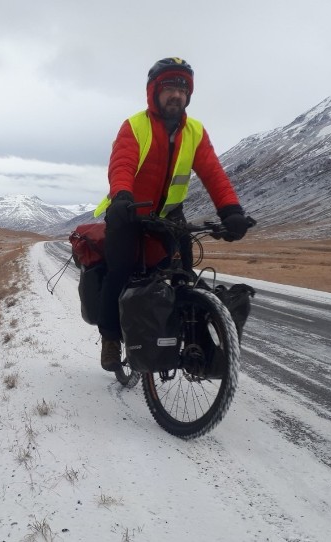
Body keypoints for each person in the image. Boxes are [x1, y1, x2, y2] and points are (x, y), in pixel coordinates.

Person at [92, 57, 250, 371]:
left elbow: (214, 174)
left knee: (183, 276)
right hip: (129, 210)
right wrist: (122, 197)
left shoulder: (195, 132)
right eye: (168, 87)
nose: (176, 94)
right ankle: (110, 338)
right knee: (119, 271)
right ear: (154, 92)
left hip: (169, 215)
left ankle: (181, 338)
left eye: (182, 88)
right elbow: (121, 164)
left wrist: (231, 210)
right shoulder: (135, 126)